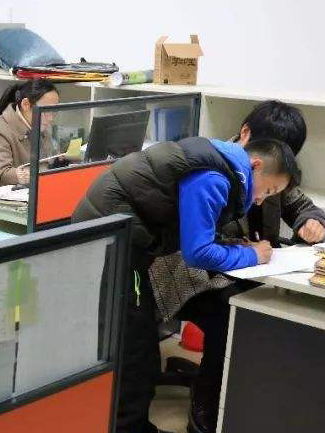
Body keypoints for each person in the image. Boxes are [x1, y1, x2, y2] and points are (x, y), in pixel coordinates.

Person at [71, 136, 301, 433]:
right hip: (113, 238)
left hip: (122, 234)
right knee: (136, 350)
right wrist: (251, 255)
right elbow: (198, 253)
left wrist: (232, 245)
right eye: (267, 190)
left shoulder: (221, 162)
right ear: (255, 166)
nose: (261, 200)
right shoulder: (215, 178)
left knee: (138, 343)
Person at [148, 100, 325, 433]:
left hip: (243, 268)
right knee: (230, 312)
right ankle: (206, 408)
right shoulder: (215, 167)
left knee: (273, 310)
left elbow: (303, 206)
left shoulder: (274, 170)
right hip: (187, 273)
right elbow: (201, 247)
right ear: (247, 135)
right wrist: (248, 251)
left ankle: (251, 393)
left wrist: (311, 222)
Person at [0, 79, 62, 187]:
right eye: (46, 111)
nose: (50, 118)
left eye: (54, 112)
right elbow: (3, 174)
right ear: (25, 104)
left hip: (30, 189)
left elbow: (49, 160)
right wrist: (31, 174)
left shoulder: (38, 124)